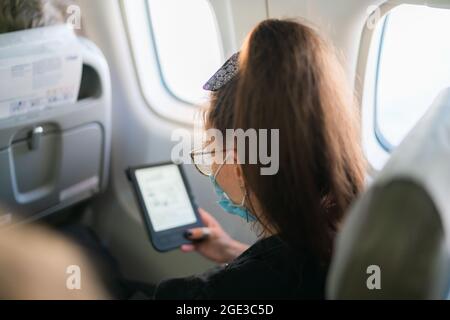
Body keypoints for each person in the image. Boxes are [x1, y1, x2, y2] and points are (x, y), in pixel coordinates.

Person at [154, 18, 366, 299]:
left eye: (211, 147)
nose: (212, 165)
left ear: (241, 166)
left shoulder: (209, 297)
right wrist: (229, 249)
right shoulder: (353, 230)